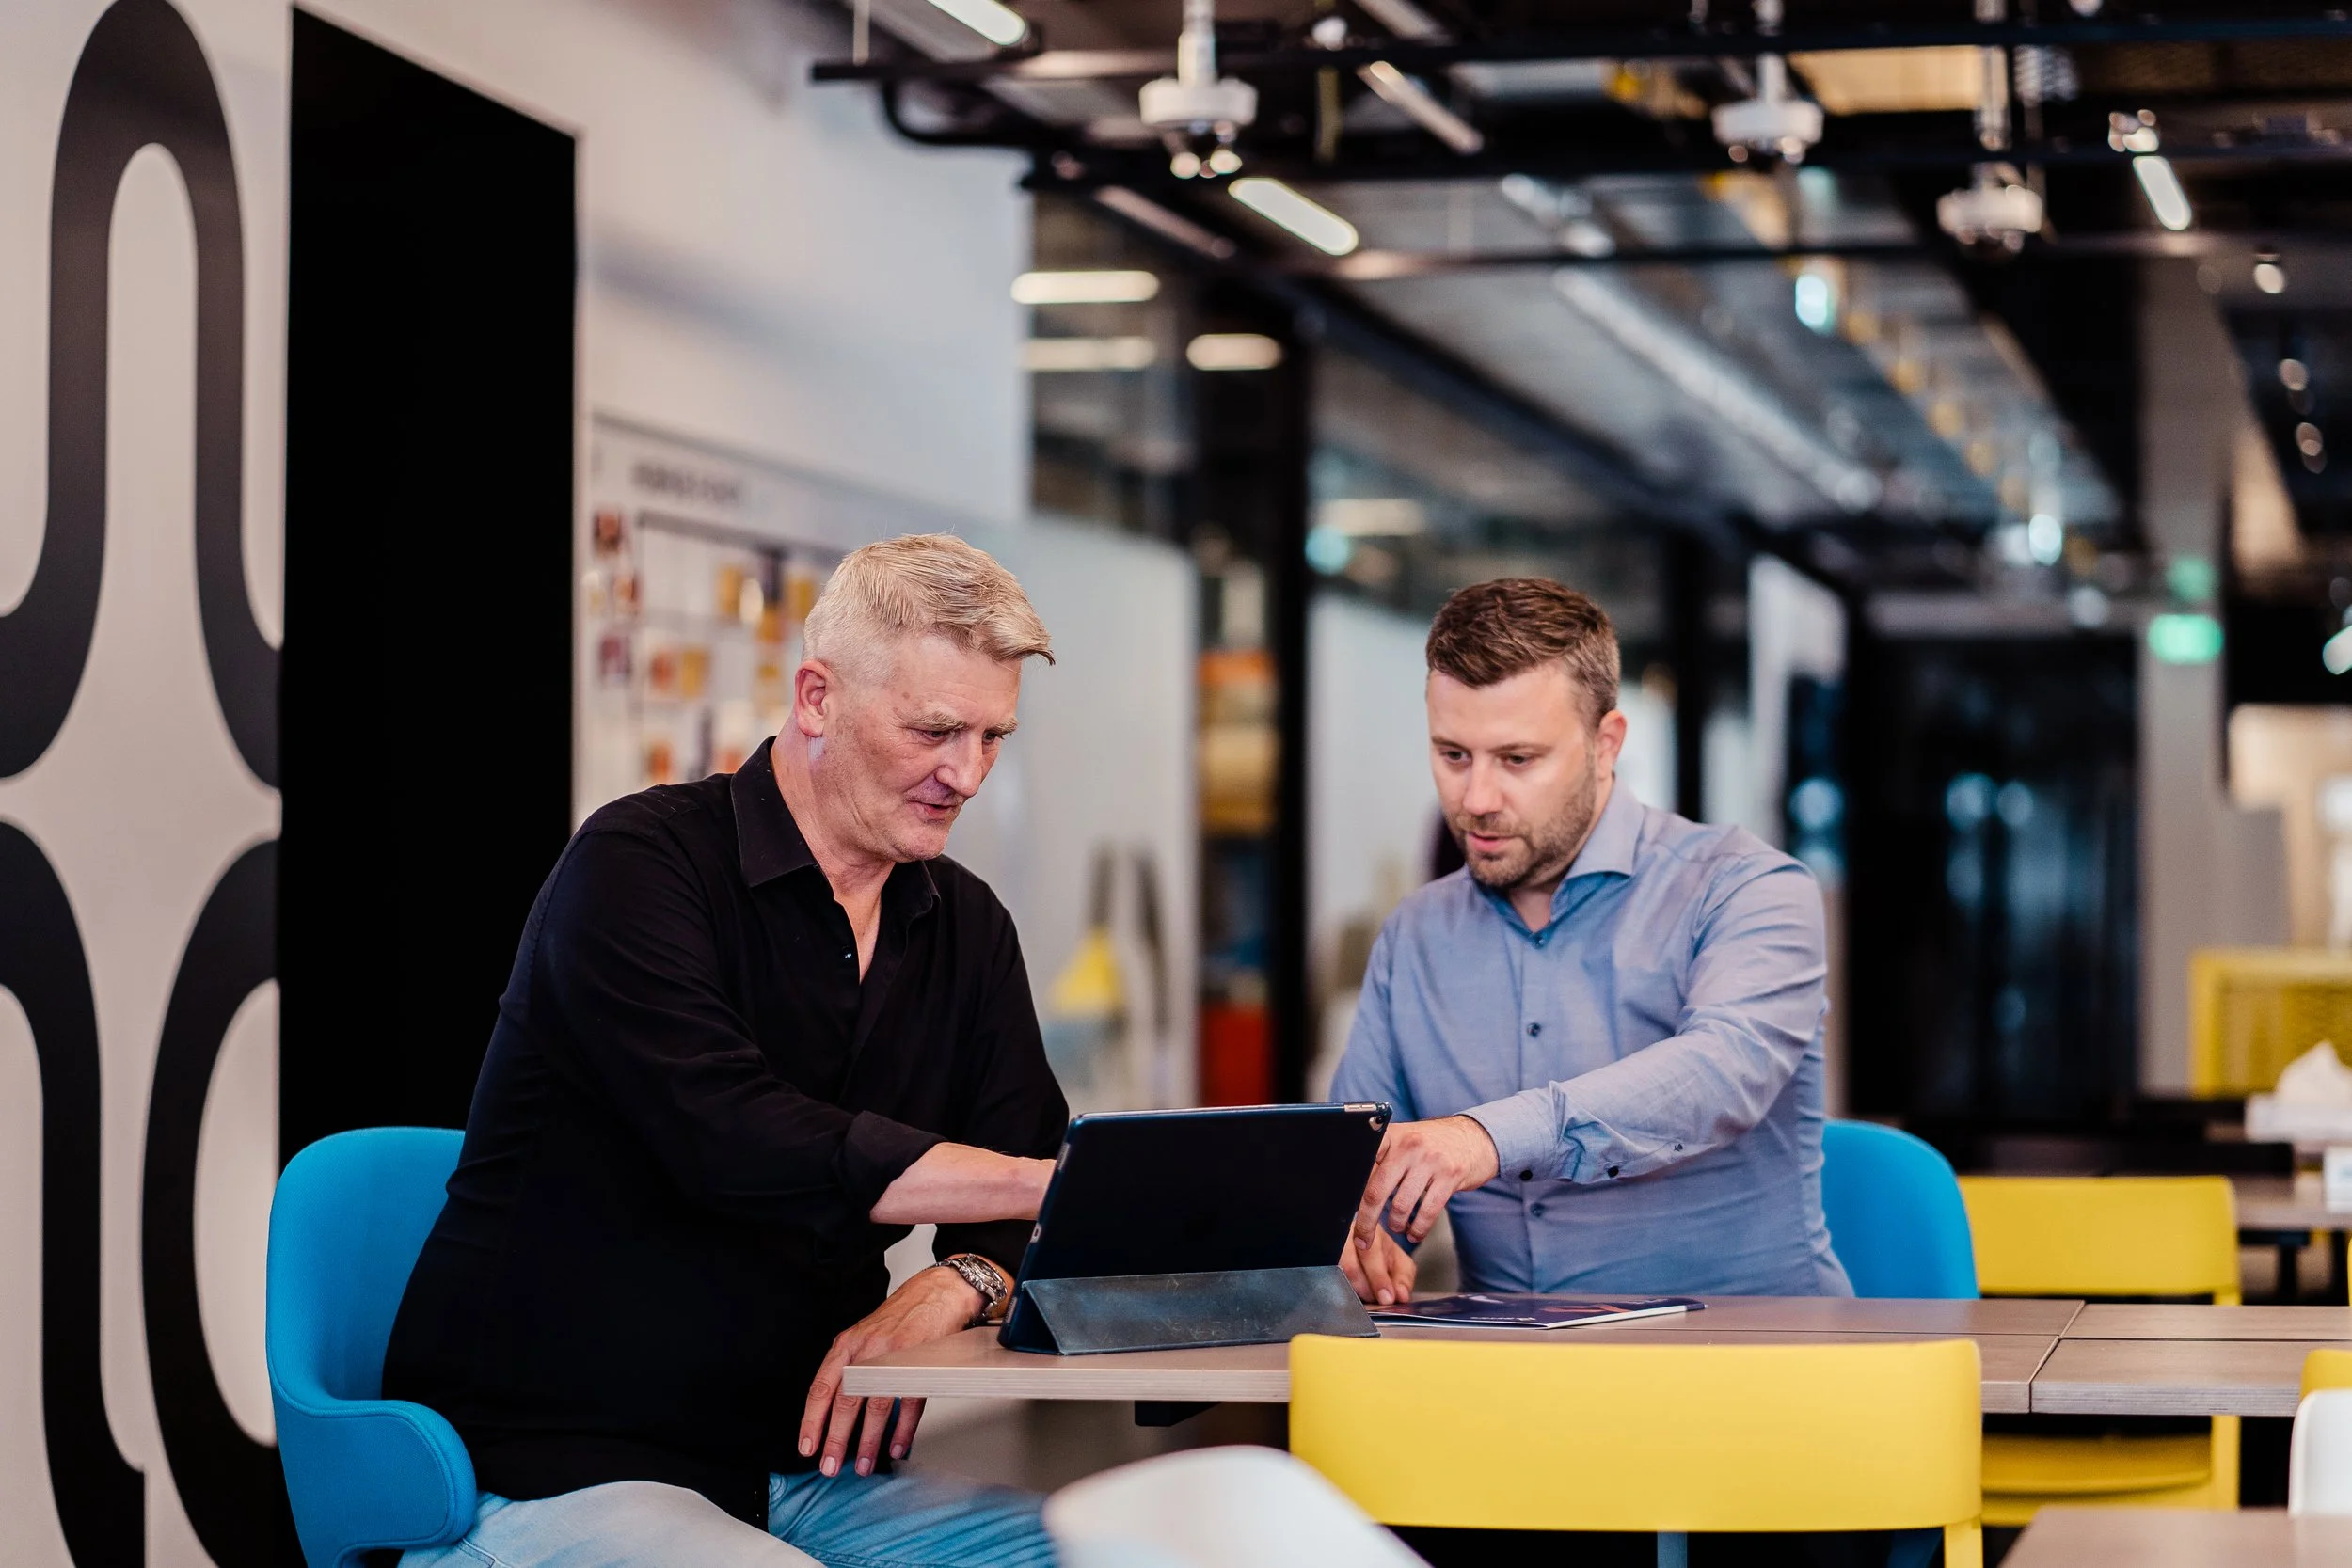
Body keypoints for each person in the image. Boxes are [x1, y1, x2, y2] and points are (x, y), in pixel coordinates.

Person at [384, 534, 1071, 1568]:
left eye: (991, 736)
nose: (963, 773)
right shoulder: (636, 866)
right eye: (934, 729)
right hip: (552, 1466)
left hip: (795, 1473)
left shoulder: (965, 927)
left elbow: (1038, 1192)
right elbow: (739, 1135)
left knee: (1095, 1549)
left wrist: (961, 1276)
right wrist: (1040, 1183)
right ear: (815, 698)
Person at [1334, 577, 1850, 1306]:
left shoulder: (1748, 889)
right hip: (1507, 1384)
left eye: (1517, 760)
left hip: (1746, 1371)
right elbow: (1359, 1182)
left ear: (1606, 743)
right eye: (1453, 755)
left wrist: (1486, 1136)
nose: (1476, 799)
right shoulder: (1416, 939)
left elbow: (1723, 1069)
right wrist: (1358, 1235)